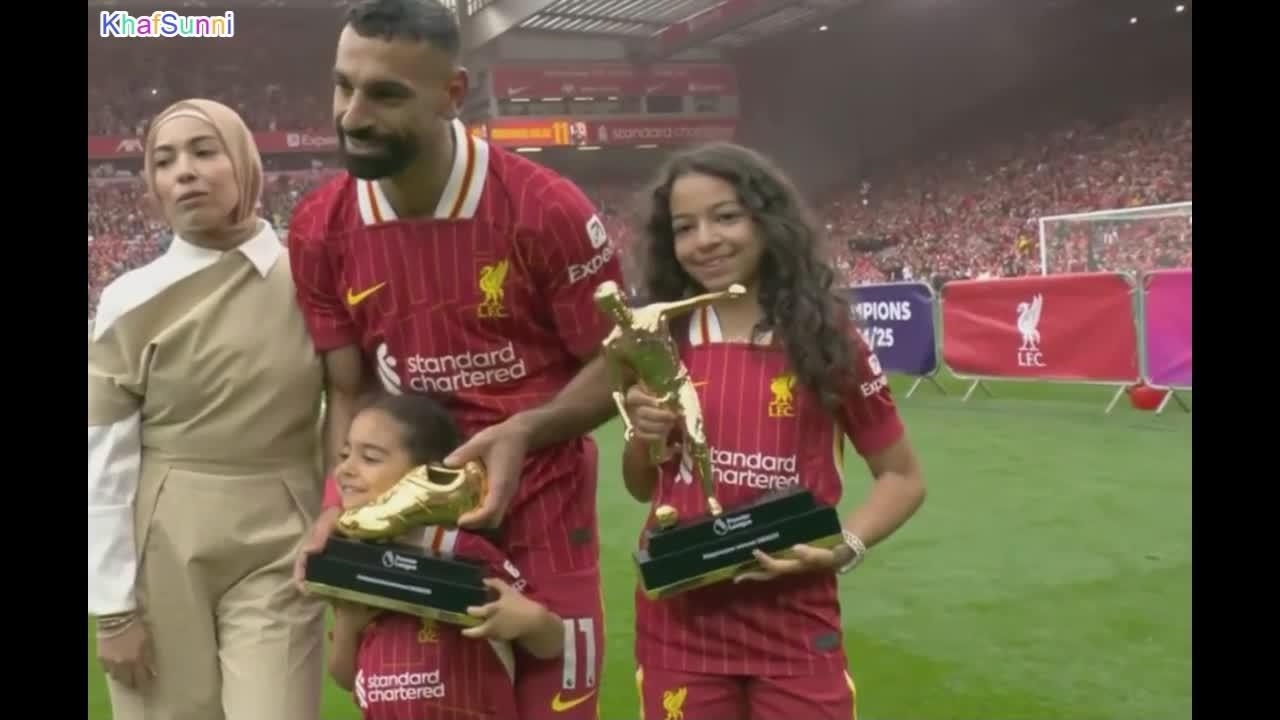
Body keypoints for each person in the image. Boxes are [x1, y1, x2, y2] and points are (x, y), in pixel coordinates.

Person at [287, 2, 624, 717]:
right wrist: (335, 508)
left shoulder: (545, 208)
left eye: (385, 95)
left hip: (541, 501)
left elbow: (618, 359)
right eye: (343, 85)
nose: (351, 115)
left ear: (453, 94)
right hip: (405, 516)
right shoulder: (319, 227)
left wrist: (525, 430)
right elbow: (346, 390)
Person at [620, 142, 927, 720]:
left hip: (795, 621)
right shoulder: (662, 338)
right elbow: (641, 485)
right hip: (680, 623)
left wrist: (845, 546)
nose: (705, 240)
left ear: (768, 221)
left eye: (726, 217)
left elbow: (902, 477)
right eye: (684, 227)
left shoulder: (827, 339)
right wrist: (642, 433)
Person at [88, 99, 326, 720]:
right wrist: (113, 610)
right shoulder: (128, 299)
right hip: (164, 540)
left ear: (244, 163)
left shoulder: (310, 279)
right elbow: (104, 460)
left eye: (204, 151)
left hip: (284, 536)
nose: (184, 172)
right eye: (164, 161)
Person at [327, 392, 565, 719]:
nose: (345, 469)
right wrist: (348, 626)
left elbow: (552, 642)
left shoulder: (463, 551)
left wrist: (529, 620)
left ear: (425, 474)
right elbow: (345, 677)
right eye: (344, 455)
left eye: (369, 458)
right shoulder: (353, 559)